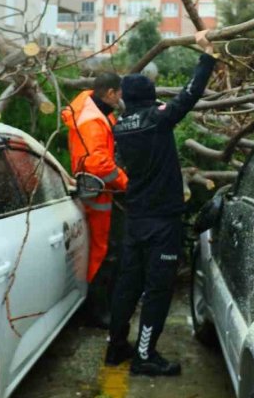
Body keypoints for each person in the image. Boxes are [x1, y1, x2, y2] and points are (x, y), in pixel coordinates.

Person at [105, 30, 217, 376]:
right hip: (161, 223)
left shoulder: (120, 126)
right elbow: (189, 94)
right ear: (151, 96)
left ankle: (116, 347)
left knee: (127, 284)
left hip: (136, 218)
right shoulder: (158, 119)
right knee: (157, 289)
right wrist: (207, 57)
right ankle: (144, 356)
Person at [62, 72, 128, 328]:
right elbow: (100, 164)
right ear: (110, 93)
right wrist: (126, 183)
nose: (121, 97)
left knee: (97, 250)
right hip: (98, 193)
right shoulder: (93, 120)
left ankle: (95, 305)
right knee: (102, 252)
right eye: (119, 93)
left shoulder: (92, 111)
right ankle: (98, 311)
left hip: (91, 189)